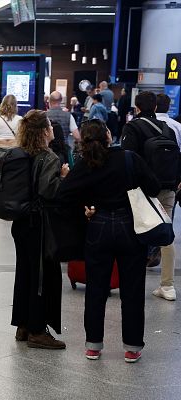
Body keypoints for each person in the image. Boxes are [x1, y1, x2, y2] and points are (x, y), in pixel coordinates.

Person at [57, 119, 160, 362]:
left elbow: (64, 194)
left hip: (99, 226)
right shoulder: (129, 158)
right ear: (108, 135)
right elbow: (154, 187)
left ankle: (94, 344)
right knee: (132, 288)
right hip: (130, 227)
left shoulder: (86, 164)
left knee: (96, 288)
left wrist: (86, 207)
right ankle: (132, 347)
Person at [9, 110, 69, 349]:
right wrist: (63, 177)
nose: (53, 129)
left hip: (21, 222)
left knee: (25, 272)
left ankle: (22, 325)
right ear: (44, 131)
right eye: (50, 126)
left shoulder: (20, 154)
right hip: (40, 225)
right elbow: (48, 190)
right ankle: (37, 329)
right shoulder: (48, 157)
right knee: (43, 277)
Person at [121, 91, 178, 301]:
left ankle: (133, 282)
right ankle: (168, 286)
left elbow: (128, 159)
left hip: (141, 190)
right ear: (155, 108)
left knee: (137, 232)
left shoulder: (132, 127)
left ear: (136, 107)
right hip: (167, 187)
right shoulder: (167, 129)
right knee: (166, 233)